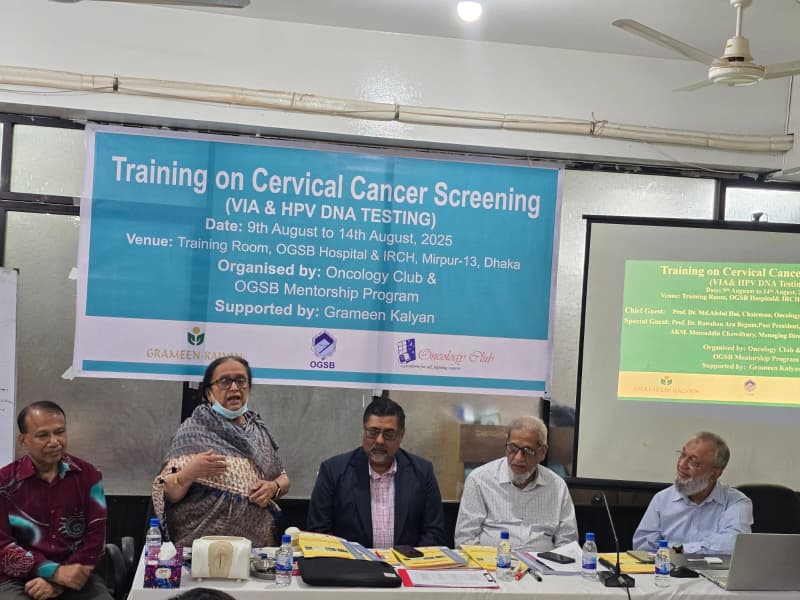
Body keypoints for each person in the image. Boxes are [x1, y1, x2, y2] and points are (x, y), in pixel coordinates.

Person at [152, 355, 290, 547]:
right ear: (209, 393)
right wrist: (189, 473)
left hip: (254, 549)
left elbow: (283, 478)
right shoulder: (193, 431)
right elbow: (168, 492)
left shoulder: (258, 431)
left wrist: (273, 487)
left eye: (240, 381)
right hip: (199, 548)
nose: (234, 388)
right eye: (224, 381)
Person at [0, 401, 112, 600]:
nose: (54, 442)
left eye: (60, 432)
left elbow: (95, 541)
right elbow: (3, 546)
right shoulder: (4, 483)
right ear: (23, 440)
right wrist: (52, 572)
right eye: (43, 435)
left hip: (75, 573)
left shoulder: (88, 476)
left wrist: (59, 580)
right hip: (19, 579)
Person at [306, 396, 445, 548]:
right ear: (364, 430)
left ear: (401, 435)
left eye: (389, 434)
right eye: (373, 432)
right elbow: (319, 532)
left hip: (407, 561)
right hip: (350, 562)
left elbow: (434, 531)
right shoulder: (333, 471)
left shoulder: (422, 472)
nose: (379, 441)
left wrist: (411, 560)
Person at [454, 415, 578, 551]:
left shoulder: (557, 486)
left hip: (541, 563)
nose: (518, 458)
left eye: (527, 450)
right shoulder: (479, 480)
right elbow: (465, 540)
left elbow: (568, 544)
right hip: (492, 562)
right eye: (513, 448)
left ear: (542, 453)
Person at [633, 432, 752, 554]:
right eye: (682, 455)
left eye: (693, 462)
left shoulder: (736, 502)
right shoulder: (662, 499)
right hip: (667, 566)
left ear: (714, 474)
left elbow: (735, 544)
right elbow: (643, 548)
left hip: (715, 568)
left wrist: (679, 550)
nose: (682, 464)